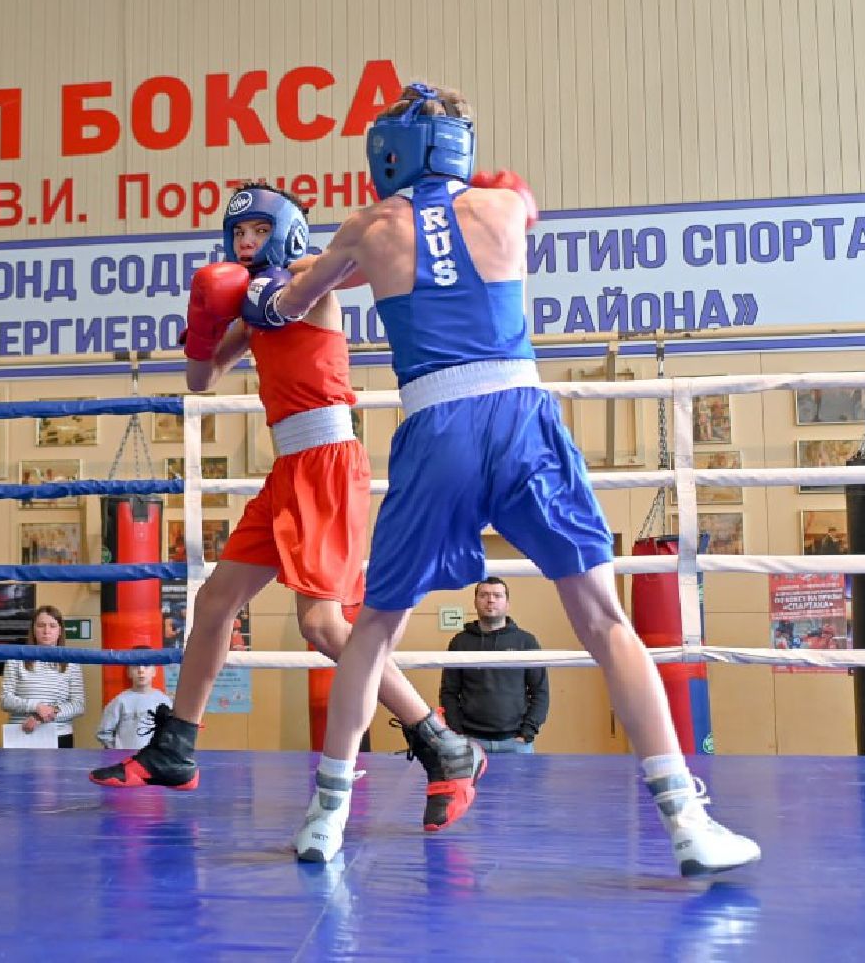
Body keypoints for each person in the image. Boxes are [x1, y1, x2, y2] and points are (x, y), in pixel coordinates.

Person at [261, 82, 760, 875]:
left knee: (375, 628)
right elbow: (508, 219)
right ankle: (686, 822)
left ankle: (325, 818)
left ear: (387, 152)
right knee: (603, 619)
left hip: (436, 426)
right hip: (521, 416)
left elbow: (290, 305)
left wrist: (270, 283)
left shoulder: (368, 226)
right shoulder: (503, 207)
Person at [91, 182, 480, 835]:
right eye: (237, 234)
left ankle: (442, 743)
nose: (246, 243)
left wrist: (268, 287)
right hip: (287, 469)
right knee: (214, 602)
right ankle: (175, 748)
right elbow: (199, 380)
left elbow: (339, 273)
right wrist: (204, 326)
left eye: (257, 232)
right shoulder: (248, 305)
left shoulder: (307, 278)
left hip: (327, 464)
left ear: (285, 232)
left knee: (324, 626)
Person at [440, 578, 548, 754]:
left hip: (516, 743)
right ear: (475, 602)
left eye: (497, 595)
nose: (490, 600)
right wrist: (458, 733)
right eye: (484, 595)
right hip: (470, 742)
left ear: (507, 603)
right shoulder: (460, 642)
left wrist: (527, 733)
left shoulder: (526, 642)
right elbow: (449, 692)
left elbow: (540, 691)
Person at [0, 605, 86, 748]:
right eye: (41, 625)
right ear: (33, 629)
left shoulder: (71, 662)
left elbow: (78, 705)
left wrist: (44, 715)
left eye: (52, 626)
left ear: (60, 631)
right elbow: (5, 700)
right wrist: (36, 706)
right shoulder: (15, 659)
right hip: (21, 733)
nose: (46, 631)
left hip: (59, 735)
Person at [96, 655, 173, 751]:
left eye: (146, 665)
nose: (141, 670)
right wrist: (117, 751)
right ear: (128, 672)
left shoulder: (164, 700)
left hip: (154, 757)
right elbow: (103, 732)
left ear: (154, 671)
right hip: (126, 757)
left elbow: (172, 732)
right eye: (136, 666)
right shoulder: (120, 701)